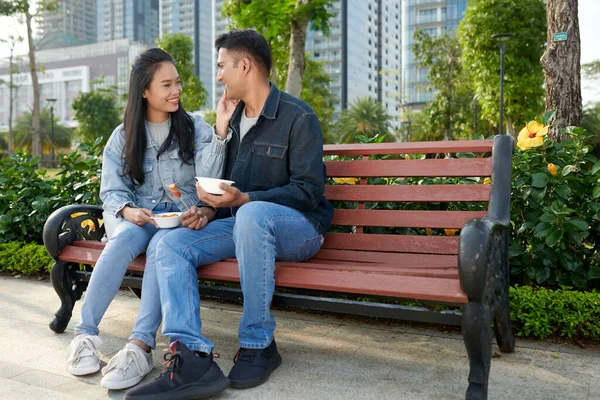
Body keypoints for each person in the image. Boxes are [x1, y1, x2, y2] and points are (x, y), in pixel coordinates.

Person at [124, 29, 334, 400]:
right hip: (244, 227)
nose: (219, 75)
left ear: (245, 65)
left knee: (252, 215)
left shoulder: (299, 117)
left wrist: (245, 199)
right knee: (170, 244)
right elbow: (227, 191)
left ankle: (258, 344)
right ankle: (192, 358)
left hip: (301, 229)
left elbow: (308, 191)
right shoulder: (234, 121)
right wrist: (206, 209)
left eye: (222, 66)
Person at [65, 48, 228, 390]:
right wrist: (128, 211)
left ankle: (140, 346)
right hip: (139, 216)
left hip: (181, 220)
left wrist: (221, 130)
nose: (176, 91)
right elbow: (111, 190)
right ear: (144, 91)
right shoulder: (124, 136)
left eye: (177, 82)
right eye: (166, 84)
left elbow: (210, 181)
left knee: (161, 246)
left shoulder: (194, 127)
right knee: (123, 239)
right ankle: (85, 335)